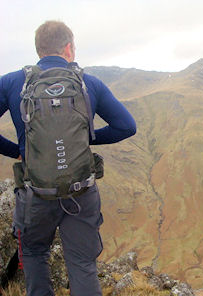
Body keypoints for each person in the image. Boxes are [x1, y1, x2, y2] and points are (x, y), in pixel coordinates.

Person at [0, 20, 136, 295]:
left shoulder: (12, 82)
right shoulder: (88, 83)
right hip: (81, 192)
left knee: (36, 254)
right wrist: (84, 138)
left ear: (39, 50)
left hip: (35, 192)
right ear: (69, 49)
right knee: (82, 263)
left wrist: (16, 150)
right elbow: (126, 126)